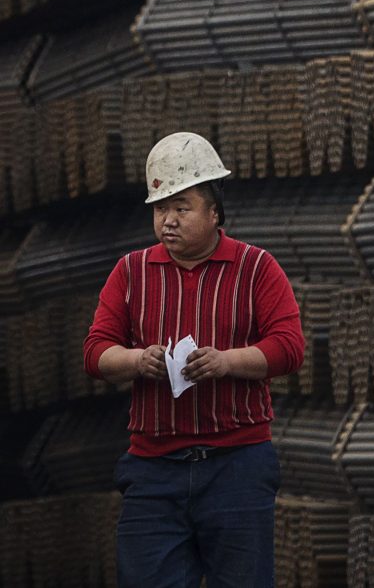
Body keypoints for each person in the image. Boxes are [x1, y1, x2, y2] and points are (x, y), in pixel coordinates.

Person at [83, 132, 305, 588]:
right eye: (160, 208)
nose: (168, 220)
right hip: (153, 470)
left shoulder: (257, 268)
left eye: (182, 207)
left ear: (215, 211)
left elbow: (289, 346)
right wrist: (136, 360)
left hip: (237, 464)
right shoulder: (130, 272)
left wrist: (227, 362)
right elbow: (96, 351)